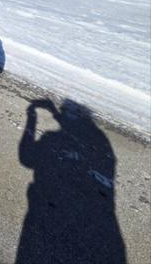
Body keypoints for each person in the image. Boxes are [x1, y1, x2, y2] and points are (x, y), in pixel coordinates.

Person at [16, 99, 126, 263]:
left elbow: (26, 158)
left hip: (46, 212)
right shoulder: (99, 138)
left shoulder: (52, 138)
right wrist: (54, 113)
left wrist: (31, 116)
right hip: (99, 223)